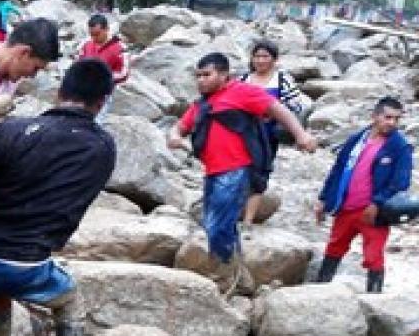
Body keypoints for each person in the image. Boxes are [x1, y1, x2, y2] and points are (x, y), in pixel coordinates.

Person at [0, 59, 119, 336]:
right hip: (28, 263)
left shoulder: (11, 130)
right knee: (68, 302)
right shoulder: (102, 147)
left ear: (59, 92)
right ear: (101, 102)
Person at [168, 52, 317, 293]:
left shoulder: (243, 92)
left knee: (216, 225)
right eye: (198, 76)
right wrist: (174, 137)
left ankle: (222, 277)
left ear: (225, 75)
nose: (201, 80)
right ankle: (239, 277)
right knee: (220, 225)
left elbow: (279, 110)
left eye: (207, 75)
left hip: (237, 170)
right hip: (213, 172)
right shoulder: (202, 104)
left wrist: (301, 135)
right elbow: (181, 126)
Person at [315, 97, 412, 293]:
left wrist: (377, 202)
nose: (391, 123)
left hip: (374, 212)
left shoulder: (399, 147)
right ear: (375, 116)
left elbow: (401, 182)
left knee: (373, 256)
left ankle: (374, 298)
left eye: (396, 119)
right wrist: (324, 198)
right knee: (334, 247)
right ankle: (319, 290)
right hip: (345, 206)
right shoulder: (357, 140)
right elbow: (338, 170)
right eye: (387, 117)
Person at [240, 40, 305, 225]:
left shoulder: (282, 80)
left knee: (260, 174)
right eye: (257, 56)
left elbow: (296, 105)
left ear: (274, 59)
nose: (260, 60)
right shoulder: (244, 80)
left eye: (265, 56)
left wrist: (273, 111)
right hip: (244, 133)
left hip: (268, 135)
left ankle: (247, 220)